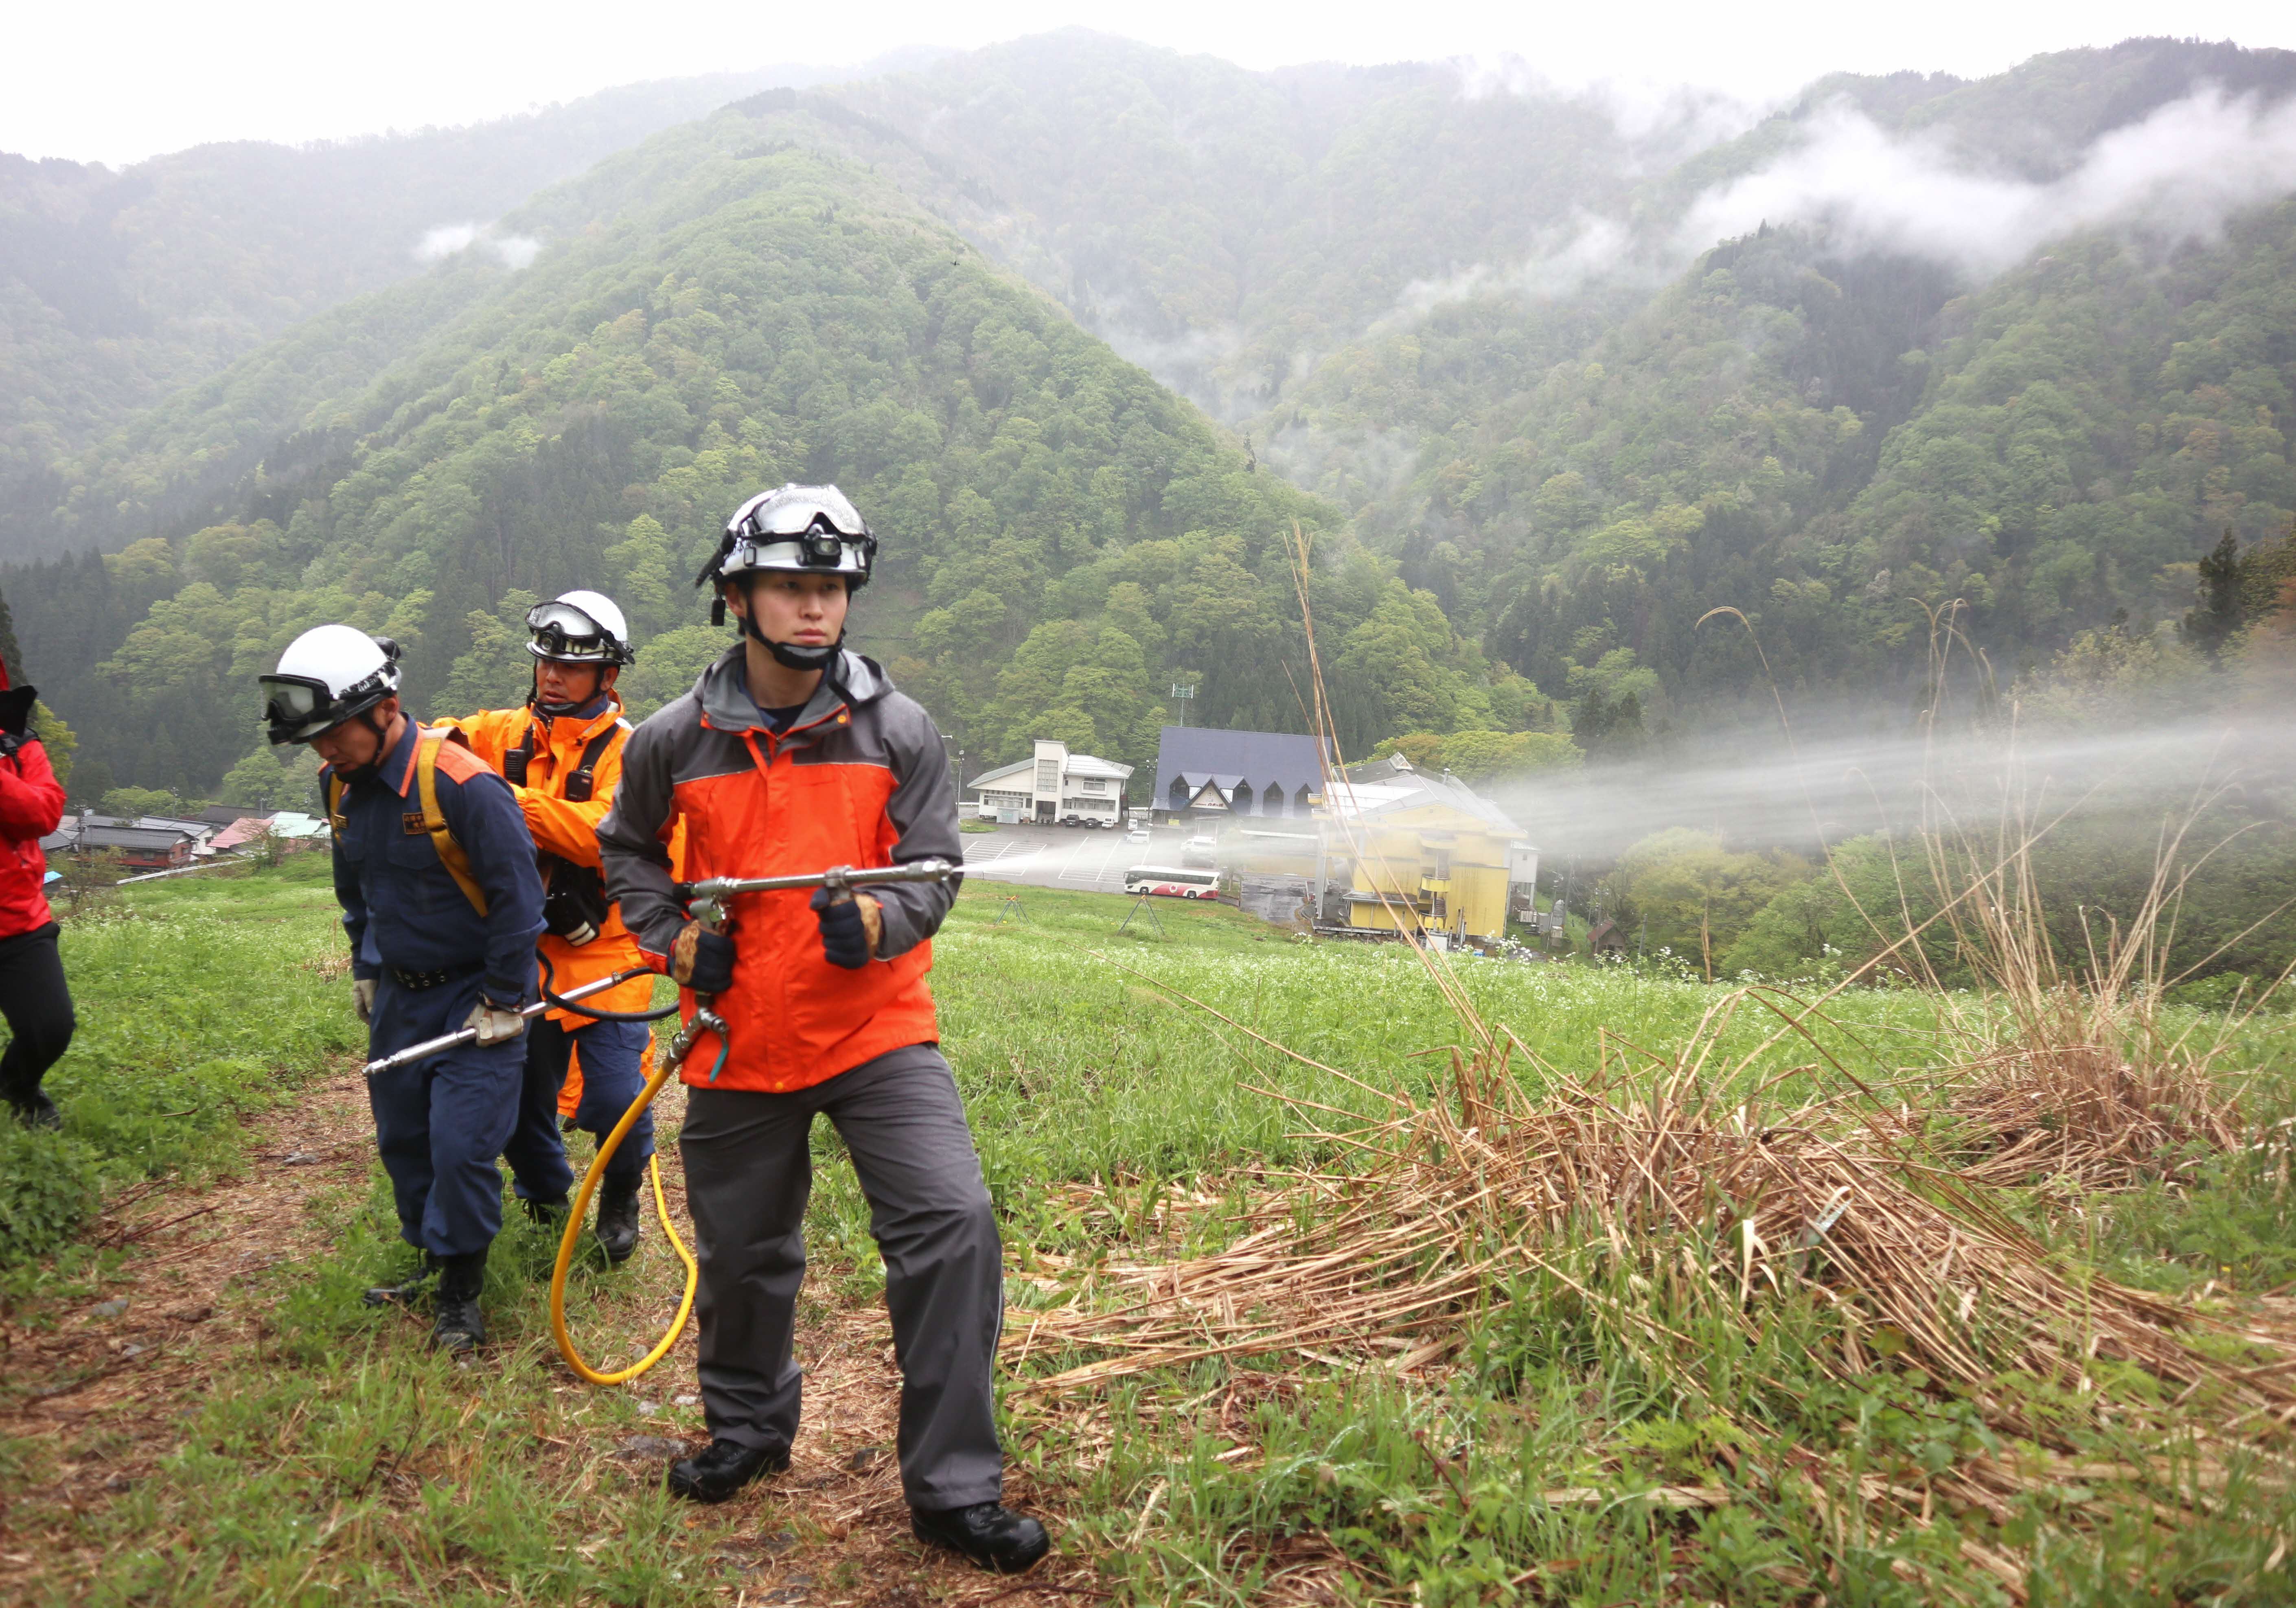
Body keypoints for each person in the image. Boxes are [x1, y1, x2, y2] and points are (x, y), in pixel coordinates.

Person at [599, 485, 1048, 1574]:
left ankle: (953, 1488)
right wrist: (675, 942)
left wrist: (881, 922)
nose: (815, 607)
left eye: (832, 587)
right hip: (738, 1039)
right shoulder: (671, 740)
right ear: (737, 596)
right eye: (792, 585)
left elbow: (934, 870)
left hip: (876, 1032)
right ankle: (748, 1432)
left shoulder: (901, 730)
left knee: (952, 1223)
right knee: (743, 1255)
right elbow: (628, 851)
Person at [261, 625, 545, 1352]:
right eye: (315, 739)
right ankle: (430, 1257)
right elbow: (353, 883)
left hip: (478, 995)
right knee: (405, 1138)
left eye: (336, 733)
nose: (327, 749)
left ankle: (462, 1294)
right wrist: (365, 963)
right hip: (401, 995)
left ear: (385, 708)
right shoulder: (338, 786)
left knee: (461, 1145)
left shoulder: (461, 784)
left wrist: (504, 998)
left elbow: (519, 900)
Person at [436, 590, 656, 1261]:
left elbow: (602, 832)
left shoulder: (632, 752)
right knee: (524, 1096)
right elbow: (432, 749)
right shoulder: (499, 733)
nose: (552, 676)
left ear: (607, 676)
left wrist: (497, 799)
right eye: (545, 662)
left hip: (608, 951)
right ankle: (544, 1198)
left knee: (617, 1093)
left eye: (571, 667)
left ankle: (620, 1192)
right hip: (520, 950)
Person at [0, 655, 71, 1130]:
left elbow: (44, 812)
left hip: (19, 917)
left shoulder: (19, 742)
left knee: (51, 1027)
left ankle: (18, 1086)